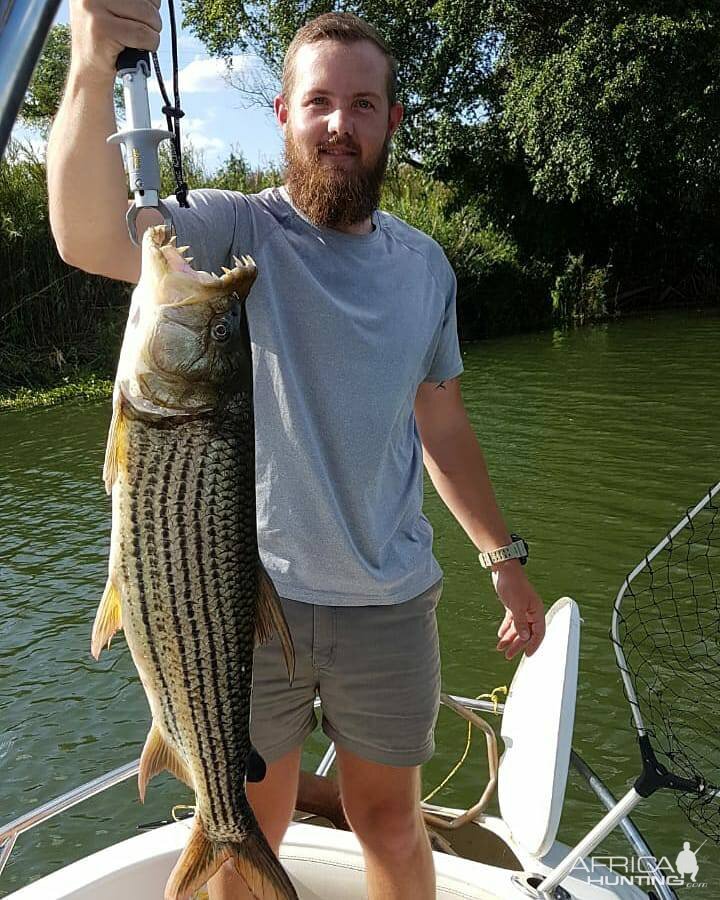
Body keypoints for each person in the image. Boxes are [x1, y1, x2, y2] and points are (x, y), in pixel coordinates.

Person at [47, 6, 547, 899]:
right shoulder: (238, 234)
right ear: (281, 113)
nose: (338, 125)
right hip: (239, 597)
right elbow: (87, 234)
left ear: (392, 120)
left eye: (362, 104)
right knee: (249, 821)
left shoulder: (427, 267)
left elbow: (442, 423)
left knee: (389, 819)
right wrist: (90, 61)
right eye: (318, 101)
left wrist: (502, 558)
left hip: (390, 601)